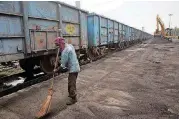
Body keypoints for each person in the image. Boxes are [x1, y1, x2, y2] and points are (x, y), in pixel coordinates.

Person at [54, 37, 80, 105]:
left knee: (71, 84)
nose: (58, 47)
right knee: (72, 82)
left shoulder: (65, 51)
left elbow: (63, 67)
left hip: (73, 69)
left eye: (58, 45)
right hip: (76, 66)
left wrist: (56, 70)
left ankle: (73, 99)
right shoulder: (69, 46)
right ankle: (72, 94)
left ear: (61, 44)